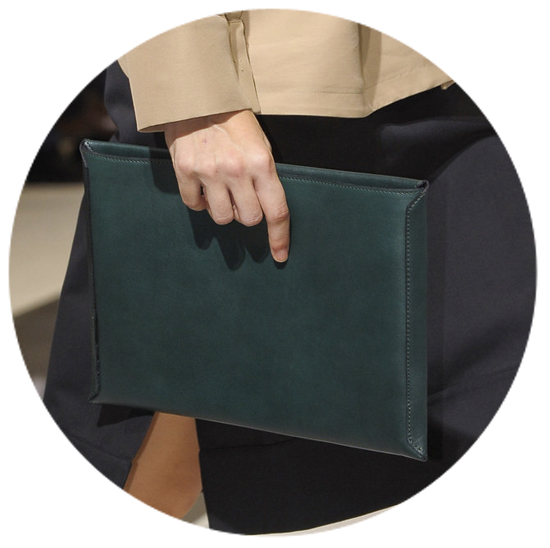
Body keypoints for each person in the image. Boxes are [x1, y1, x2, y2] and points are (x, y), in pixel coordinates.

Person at [43, 10, 536, 534]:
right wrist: (194, 99)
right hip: (258, 100)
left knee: (480, 404)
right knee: (138, 432)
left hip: (449, 93)